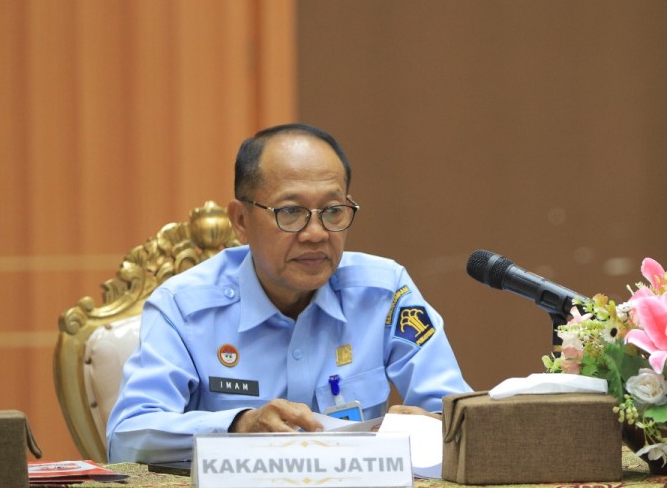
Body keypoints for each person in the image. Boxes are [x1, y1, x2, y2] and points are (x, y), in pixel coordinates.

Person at [107, 123, 471, 463]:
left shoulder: (384, 292)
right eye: (291, 211)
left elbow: (458, 418)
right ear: (241, 221)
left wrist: (432, 424)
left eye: (332, 211)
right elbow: (127, 437)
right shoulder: (184, 307)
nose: (316, 233)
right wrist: (239, 425)